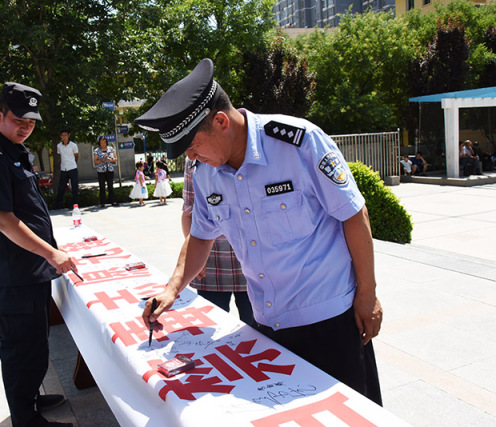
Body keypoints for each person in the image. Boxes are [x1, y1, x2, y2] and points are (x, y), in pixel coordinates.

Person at [136, 58, 382, 405]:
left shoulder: (298, 143)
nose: (191, 158)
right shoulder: (207, 172)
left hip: (329, 323)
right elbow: (201, 236)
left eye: (193, 147)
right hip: (267, 327)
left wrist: (367, 295)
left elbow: (354, 216)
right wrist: (172, 289)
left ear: (220, 121)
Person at [0, 82, 75, 427]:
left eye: (30, 123)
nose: (25, 128)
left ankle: (30, 396)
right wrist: (52, 254)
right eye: (18, 121)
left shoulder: (14, 150)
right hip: (14, 274)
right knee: (20, 348)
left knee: (35, 343)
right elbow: (5, 222)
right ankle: (24, 417)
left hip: (31, 269)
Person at [182, 158, 254, 325]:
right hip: (211, 265)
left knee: (258, 334)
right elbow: (188, 213)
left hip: (254, 267)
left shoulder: (251, 155)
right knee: (213, 330)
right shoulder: (195, 161)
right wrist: (195, 257)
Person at [53, 129, 79, 209]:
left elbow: (76, 156)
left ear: (68, 136)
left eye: (65, 135)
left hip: (72, 167)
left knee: (75, 187)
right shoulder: (59, 146)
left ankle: (75, 204)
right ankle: (59, 205)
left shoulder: (73, 145)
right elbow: (60, 155)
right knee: (61, 187)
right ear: (60, 137)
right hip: (64, 168)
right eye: (62, 136)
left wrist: (73, 163)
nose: (64, 137)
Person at [93, 135, 119, 207]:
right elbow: (95, 161)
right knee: (102, 186)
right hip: (101, 170)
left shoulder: (111, 149)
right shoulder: (97, 150)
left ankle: (112, 201)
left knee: (110, 186)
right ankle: (102, 202)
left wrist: (109, 159)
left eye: (104, 142)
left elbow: (115, 159)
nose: (103, 144)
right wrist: (100, 160)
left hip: (109, 169)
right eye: (101, 142)